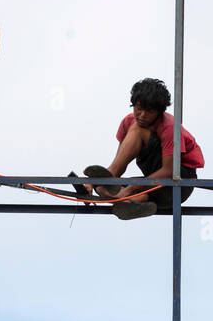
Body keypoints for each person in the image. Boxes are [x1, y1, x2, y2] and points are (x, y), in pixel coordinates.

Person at [75, 78, 205, 220]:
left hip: (178, 181)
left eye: (149, 111)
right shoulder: (128, 122)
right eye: (138, 108)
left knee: (138, 129)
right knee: (103, 188)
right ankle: (135, 202)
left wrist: (131, 188)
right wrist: (92, 183)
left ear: (159, 112)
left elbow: (169, 171)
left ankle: (131, 197)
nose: (142, 115)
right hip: (152, 182)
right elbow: (119, 166)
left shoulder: (169, 128)